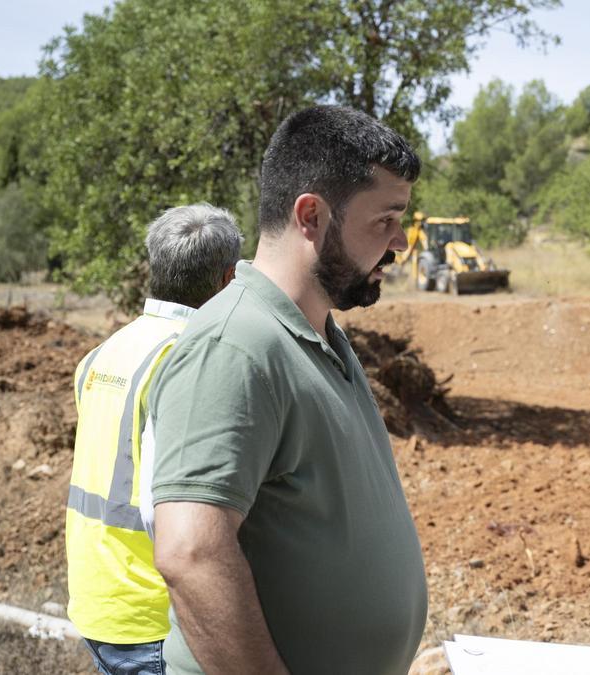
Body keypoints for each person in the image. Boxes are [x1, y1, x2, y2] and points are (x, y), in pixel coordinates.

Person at [147, 105, 426, 675]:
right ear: (311, 215)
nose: (400, 242)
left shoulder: (314, 333)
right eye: (385, 220)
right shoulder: (235, 344)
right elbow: (190, 552)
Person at [65, 203, 243, 675]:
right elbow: (161, 510)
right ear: (228, 280)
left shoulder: (104, 353)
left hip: (98, 604)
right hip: (154, 619)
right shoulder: (188, 360)